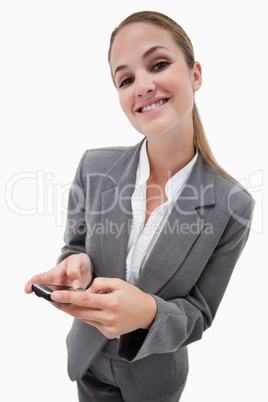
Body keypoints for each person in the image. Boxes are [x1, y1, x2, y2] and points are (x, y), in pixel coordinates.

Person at [25, 10, 255, 402]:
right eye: (126, 79)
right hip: (87, 360)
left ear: (195, 74)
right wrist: (75, 264)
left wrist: (148, 312)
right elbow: (75, 246)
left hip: (153, 380)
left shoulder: (233, 205)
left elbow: (199, 313)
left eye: (159, 64)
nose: (143, 86)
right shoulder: (93, 167)